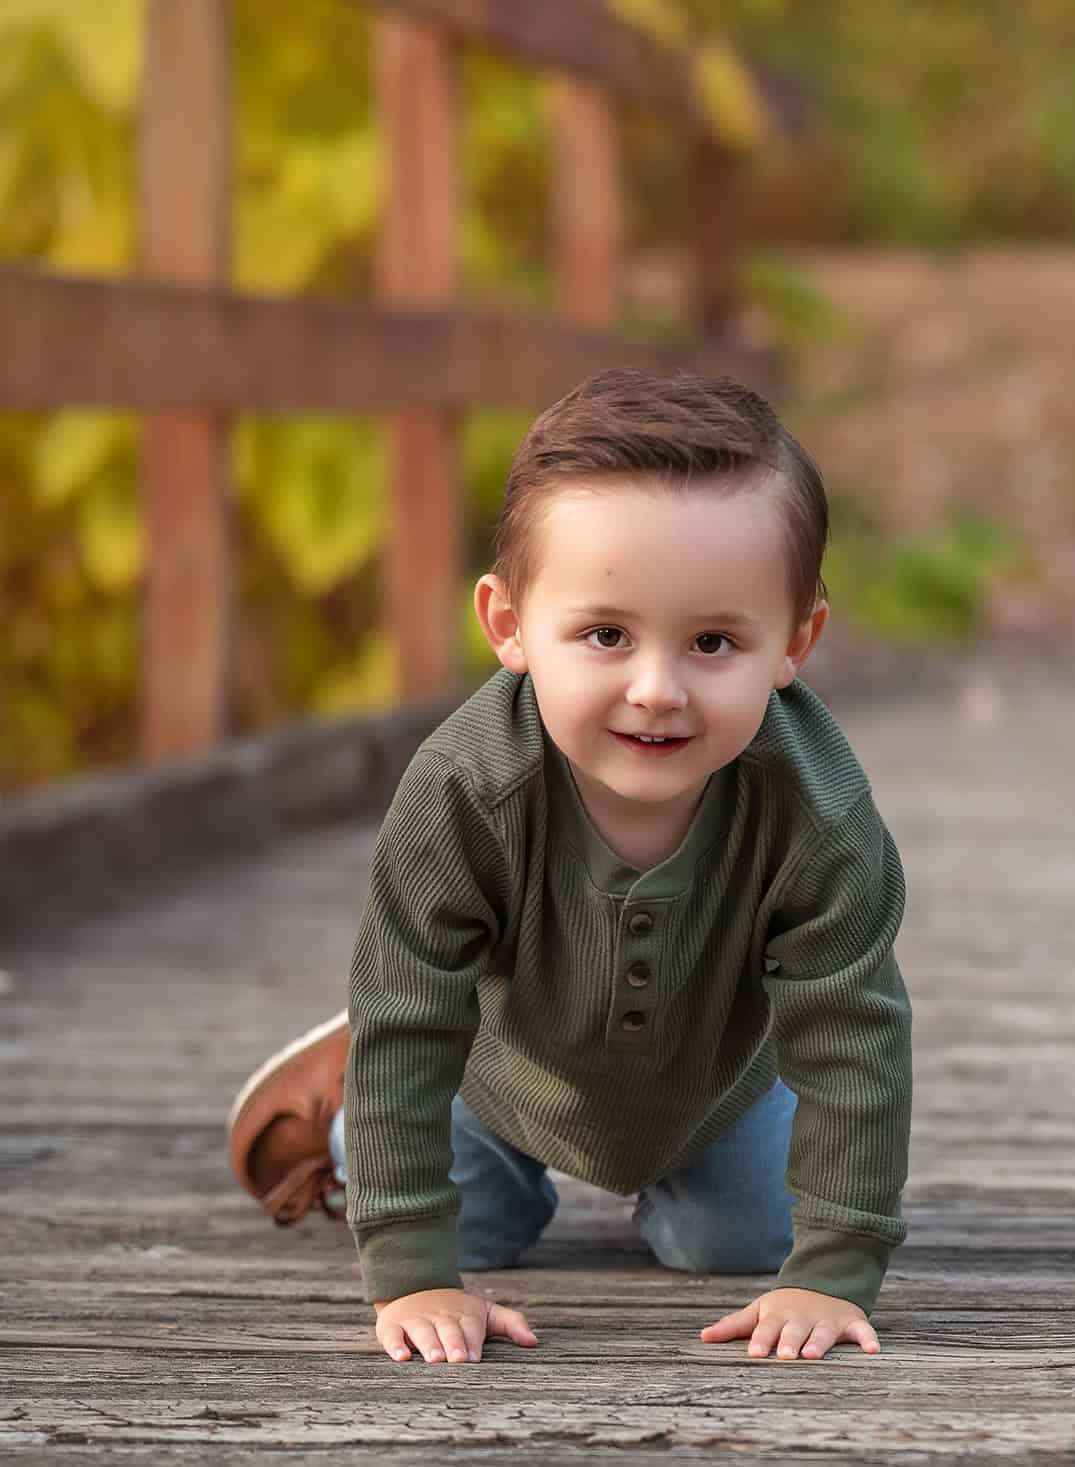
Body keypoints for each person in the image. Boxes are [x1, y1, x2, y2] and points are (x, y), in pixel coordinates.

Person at [226, 369, 913, 1364]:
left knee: (742, 1246)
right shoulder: (465, 793)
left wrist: (832, 1267)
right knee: (460, 1230)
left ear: (794, 640)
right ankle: (352, 1094)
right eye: (604, 634)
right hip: (495, 1070)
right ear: (507, 625)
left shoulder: (819, 813)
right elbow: (412, 1028)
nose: (656, 689)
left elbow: (854, 1033)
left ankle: (688, 1190)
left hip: (711, 1085)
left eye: (713, 641)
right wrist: (413, 1272)